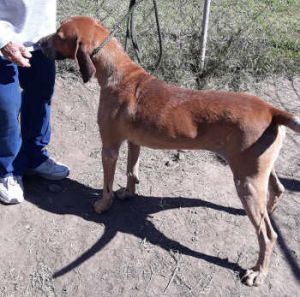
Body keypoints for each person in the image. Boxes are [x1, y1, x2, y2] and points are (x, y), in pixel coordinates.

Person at [0, 0, 69, 204]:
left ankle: (34, 156)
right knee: (6, 106)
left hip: (41, 36)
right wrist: (3, 38)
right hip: (3, 36)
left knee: (41, 97)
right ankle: (6, 170)